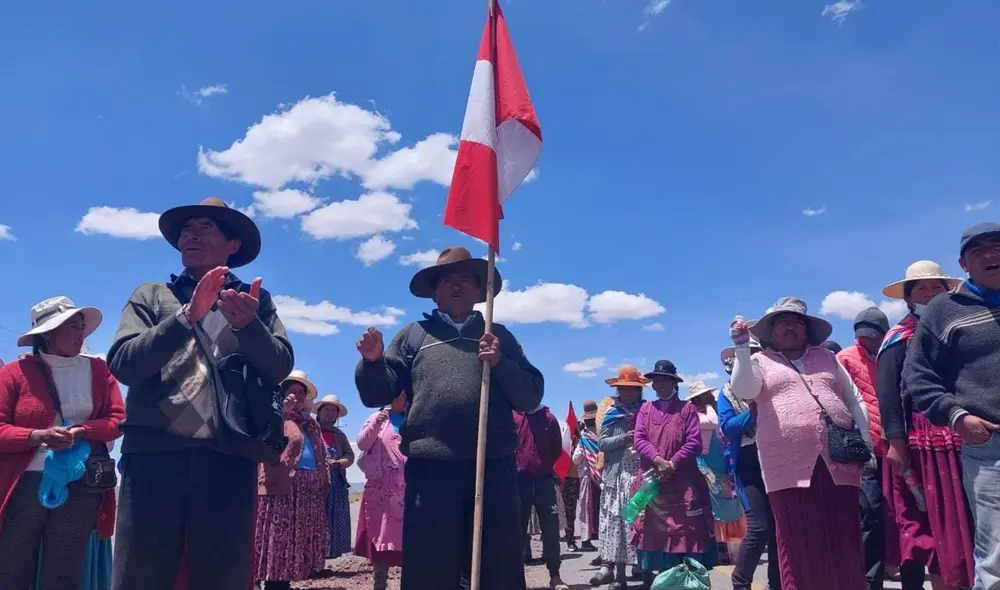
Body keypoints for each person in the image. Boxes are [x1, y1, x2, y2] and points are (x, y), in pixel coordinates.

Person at [108, 197, 294, 590]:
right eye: (185, 229)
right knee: (140, 575)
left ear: (233, 244)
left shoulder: (254, 301)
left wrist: (249, 326)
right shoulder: (152, 295)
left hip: (229, 459)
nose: (190, 235)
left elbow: (279, 366)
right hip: (153, 457)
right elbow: (123, 363)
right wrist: (184, 317)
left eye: (205, 227)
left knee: (223, 577)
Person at [354, 246, 544, 590]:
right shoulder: (414, 335)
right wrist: (372, 362)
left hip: (492, 466)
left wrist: (500, 362)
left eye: (464, 279)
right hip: (431, 469)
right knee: (430, 565)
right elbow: (377, 393)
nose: (456, 285)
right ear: (435, 293)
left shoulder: (498, 335)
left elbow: (531, 395)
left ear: (479, 290)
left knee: (497, 563)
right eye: (446, 280)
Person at [730, 297, 871, 590]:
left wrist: (867, 443)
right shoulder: (759, 362)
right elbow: (745, 389)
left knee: (843, 535)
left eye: (797, 322)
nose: (790, 327)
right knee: (797, 538)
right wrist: (742, 348)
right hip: (786, 467)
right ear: (772, 332)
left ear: (807, 330)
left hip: (838, 461)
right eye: (783, 322)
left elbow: (854, 399)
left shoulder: (828, 358)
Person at [0, 297, 125, 590]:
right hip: (25, 483)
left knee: (64, 570)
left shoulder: (99, 371)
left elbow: (118, 420)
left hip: (81, 481)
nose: (81, 334)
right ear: (47, 334)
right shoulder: (14, 374)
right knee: (11, 566)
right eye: (71, 327)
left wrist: (81, 431)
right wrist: (37, 436)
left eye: (82, 327)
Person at [904, 223, 1000, 590]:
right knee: (996, 558)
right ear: (963, 265)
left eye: (997, 246)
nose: (991, 254)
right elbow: (917, 376)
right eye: (979, 250)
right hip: (989, 447)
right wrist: (957, 418)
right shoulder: (944, 310)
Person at [878, 259, 973, 590]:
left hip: (968, 433)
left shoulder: (961, 328)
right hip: (926, 440)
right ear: (908, 297)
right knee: (941, 523)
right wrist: (896, 442)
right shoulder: (898, 338)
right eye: (921, 288)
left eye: (936, 287)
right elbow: (888, 394)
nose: (930, 293)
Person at [631, 370, 716, 590]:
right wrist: (658, 460)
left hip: (683, 483)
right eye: (657, 381)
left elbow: (694, 442)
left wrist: (672, 463)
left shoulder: (687, 409)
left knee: (687, 539)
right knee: (655, 540)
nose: (660, 384)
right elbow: (639, 439)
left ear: (674, 383)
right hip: (653, 484)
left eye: (665, 380)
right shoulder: (646, 410)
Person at [253, 371, 329, 590]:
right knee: (278, 539)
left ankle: (283, 583)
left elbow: (321, 454)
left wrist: (322, 481)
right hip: (282, 486)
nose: (297, 396)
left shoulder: (311, 424)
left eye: (301, 393)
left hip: (307, 488)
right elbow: (266, 444)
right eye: (292, 391)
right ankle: (271, 583)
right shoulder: (274, 416)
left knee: (294, 542)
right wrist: (281, 414)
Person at [719, 327, 781, 590]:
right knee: (759, 525)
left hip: (778, 455)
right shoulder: (727, 393)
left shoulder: (774, 384)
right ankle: (741, 581)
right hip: (748, 459)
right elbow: (727, 426)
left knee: (780, 526)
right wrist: (753, 412)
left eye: (756, 353)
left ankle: (778, 583)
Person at [837, 307, 892, 590]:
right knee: (869, 516)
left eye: (873, 334)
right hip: (862, 453)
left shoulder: (887, 356)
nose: (868, 339)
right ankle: (868, 582)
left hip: (890, 450)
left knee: (886, 517)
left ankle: (879, 575)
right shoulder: (845, 358)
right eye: (864, 335)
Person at [684, 381, 745, 563]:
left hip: (719, 461)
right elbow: (714, 422)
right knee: (715, 504)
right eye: (708, 395)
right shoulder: (697, 416)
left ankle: (727, 545)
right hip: (707, 464)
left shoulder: (707, 413)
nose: (712, 397)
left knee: (727, 502)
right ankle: (719, 547)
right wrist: (710, 406)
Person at [355, 393, 407, 590]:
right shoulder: (378, 418)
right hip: (380, 492)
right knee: (380, 537)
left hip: (408, 490)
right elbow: (362, 443)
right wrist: (376, 422)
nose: (403, 397)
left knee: (409, 541)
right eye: (399, 394)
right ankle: (379, 584)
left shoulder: (414, 418)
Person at [514, 404, 569, 590]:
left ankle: (555, 575)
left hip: (543, 481)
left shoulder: (549, 419)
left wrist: (542, 465)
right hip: (518, 482)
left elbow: (556, 449)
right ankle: (516, 579)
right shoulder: (513, 417)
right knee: (516, 531)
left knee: (551, 530)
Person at [313, 394, 354, 559]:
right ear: (319, 412)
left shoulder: (339, 435)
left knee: (334, 520)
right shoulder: (310, 430)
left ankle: (327, 555)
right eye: (327, 409)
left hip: (336, 481)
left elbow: (349, 456)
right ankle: (313, 557)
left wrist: (339, 463)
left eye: (333, 411)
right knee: (315, 518)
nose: (330, 413)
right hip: (314, 481)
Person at [571, 399, 602, 554]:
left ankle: (586, 540)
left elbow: (576, 459)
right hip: (603, 478)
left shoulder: (584, 440)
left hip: (587, 479)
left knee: (586, 509)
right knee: (602, 510)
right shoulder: (603, 436)